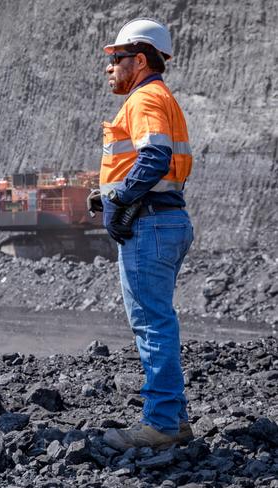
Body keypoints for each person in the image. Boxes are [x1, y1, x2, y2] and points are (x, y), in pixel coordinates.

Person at [94, 18, 195, 450]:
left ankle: (160, 424)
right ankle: (175, 417)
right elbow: (152, 162)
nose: (109, 67)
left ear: (139, 59)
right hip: (165, 219)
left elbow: (154, 156)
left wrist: (125, 202)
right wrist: (112, 195)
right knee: (158, 319)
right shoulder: (159, 98)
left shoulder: (146, 98)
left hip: (150, 223)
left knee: (152, 324)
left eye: (115, 58)